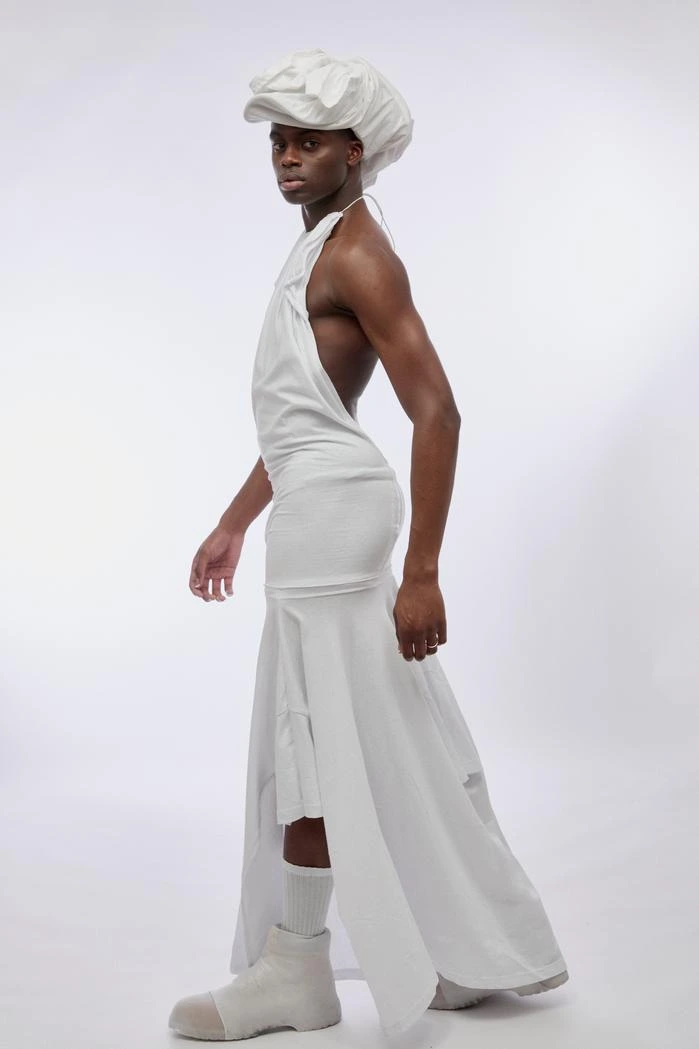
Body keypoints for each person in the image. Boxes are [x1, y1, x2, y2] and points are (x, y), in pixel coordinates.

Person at [168, 48, 569, 1041]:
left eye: (307, 141)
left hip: (335, 522)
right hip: (314, 505)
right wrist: (234, 519)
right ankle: (466, 943)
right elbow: (310, 418)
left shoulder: (357, 253)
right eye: (278, 141)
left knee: (310, 737)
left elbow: (437, 411)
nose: (286, 157)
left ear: (354, 151)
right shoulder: (319, 248)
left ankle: (297, 967)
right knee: (372, 733)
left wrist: (424, 571)